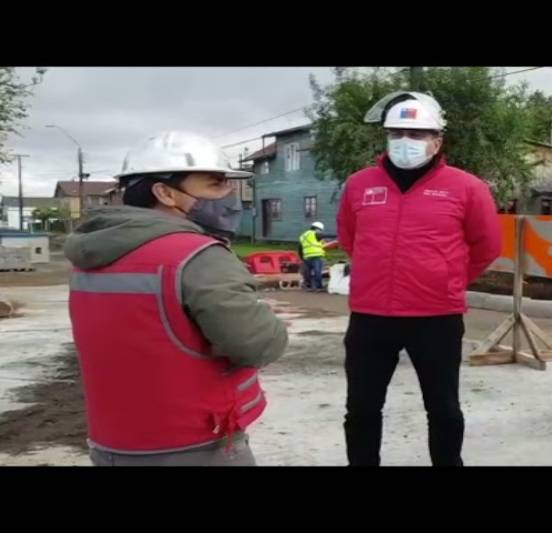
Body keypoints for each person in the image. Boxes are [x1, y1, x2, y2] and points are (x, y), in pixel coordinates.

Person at [65, 131, 289, 466]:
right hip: (195, 444)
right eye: (215, 185)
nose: (229, 197)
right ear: (165, 193)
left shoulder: (88, 255)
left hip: (111, 443)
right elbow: (256, 345)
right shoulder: (197, 255)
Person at [336, 91, 501, 466]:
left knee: (443, 409)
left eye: (417, 135)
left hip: (435, 318)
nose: (405, 142)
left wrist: (446, 280)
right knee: (361, 409)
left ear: (437, 141)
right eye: (396, 134)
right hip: (370, 316)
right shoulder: (360, 185)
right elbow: (350, 238)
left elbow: (486, 246)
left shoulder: (467, 187)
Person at [299, 221, 327, 292]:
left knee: (307, 273)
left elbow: (300, 248)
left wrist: (302, 257)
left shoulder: (303, 235)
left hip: (307, 257)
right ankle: (319, 287)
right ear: (318, 228)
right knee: (317, 272)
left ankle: (309, 286)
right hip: (316, 256)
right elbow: (325, 238)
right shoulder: (316, 233)